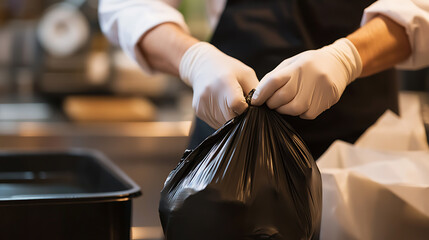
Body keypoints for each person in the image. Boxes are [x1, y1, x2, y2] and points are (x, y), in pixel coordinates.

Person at [99, 0, 429, 158]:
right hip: (230, 147)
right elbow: (130, 6)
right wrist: (193, 59)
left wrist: (347, 57)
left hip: (362, 150)